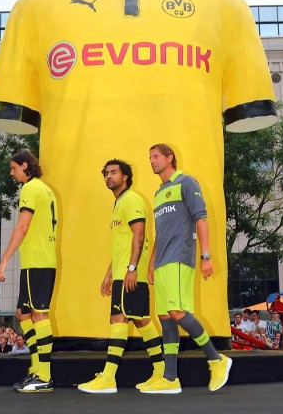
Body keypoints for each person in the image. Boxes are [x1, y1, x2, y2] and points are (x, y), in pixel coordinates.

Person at [0, 0, 276, 345]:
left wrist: (200, 254)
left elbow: (247, 112)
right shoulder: (35, 5)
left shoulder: (227, 5)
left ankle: (205, 357)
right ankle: (158, 366)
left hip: (176, 253)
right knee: (132, 315)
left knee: (150, 313)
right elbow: (14, 113)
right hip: (76, 269)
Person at [141, 144, 232, 394]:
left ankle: (216, 360)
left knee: (177, 311)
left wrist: (206, 255)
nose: (152, 161)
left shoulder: (186, 182)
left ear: (170, 158)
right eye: (149, 158)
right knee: (165, 319)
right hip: (161, 263)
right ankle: (170, 379)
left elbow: (200, 218)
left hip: (179, 258)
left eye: (156, 156)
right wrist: (151, 263)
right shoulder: (159, 193)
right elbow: (160, 234)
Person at [78, 159, 164, 394]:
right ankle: (161, 372)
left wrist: (132, 269)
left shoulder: (132, 200)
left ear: (125, 176)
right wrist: (109, 273)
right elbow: (122, 245)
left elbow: (140, 235)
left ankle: (108, 377)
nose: (108, 176)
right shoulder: (118, 204)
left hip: (130, 274)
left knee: (119, 319)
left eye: (113, 173)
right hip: (122, 273)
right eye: (106, 173)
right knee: (141, 320)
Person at [0, 149, 58, 393]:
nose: (12, 173)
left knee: (39, 316)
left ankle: (44, 376)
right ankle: (37, 369)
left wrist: (4, 261)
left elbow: (22, 226)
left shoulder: (31, 188)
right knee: (23, 314)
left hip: (38, 263)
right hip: (38, 262)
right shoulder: (44, 188)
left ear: (24, 166)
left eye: (13, 168)